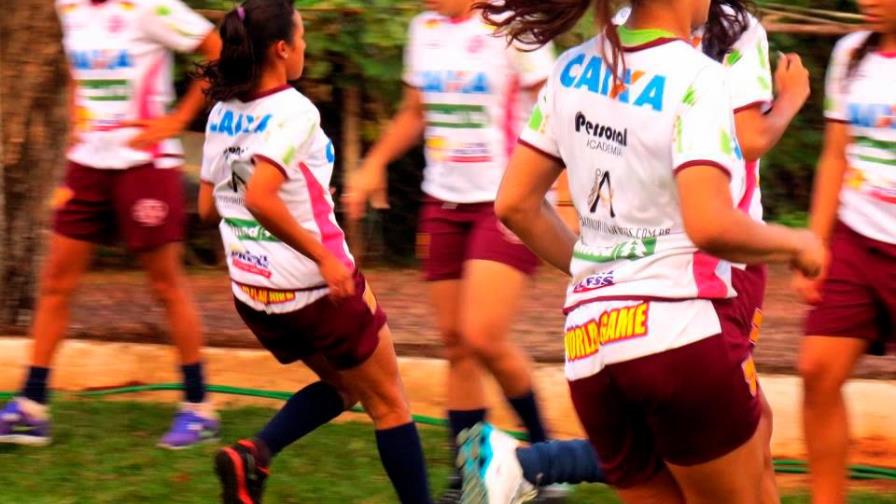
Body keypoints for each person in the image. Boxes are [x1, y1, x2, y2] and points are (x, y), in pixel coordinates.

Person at [458, 0, 826, 501]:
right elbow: (710, 224)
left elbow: (515, 204)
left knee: (756, 427)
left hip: (591, 348)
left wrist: (604, 274)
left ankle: (525, 467)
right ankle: (525, 466)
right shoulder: (699, 75)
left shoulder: (569, 69)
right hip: (680, 335)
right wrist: (798, 243)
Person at [196, 2, 432, 503]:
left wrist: (244, 203)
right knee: (390, 404)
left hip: (255, 294)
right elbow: (260, 196)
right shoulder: (295, 111)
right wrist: (323, 258)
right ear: (282, 49)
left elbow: (206, 208)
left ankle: (252, 455)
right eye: (301, 38)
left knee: (346, 389)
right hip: (316, 288)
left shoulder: (220, 113)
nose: (305, 47)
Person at [343, 0, 558, 501]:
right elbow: (415, 112)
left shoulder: (515, 25)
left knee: (482, 336)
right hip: (442, 200)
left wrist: (562, 198)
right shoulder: (425, 29)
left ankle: (547, 460)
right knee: (456, 345)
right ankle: (471, 478)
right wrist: (374, 162)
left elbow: (558, 113)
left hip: (507, 201)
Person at [0, 0, 221, 449]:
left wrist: (177, 120)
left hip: (145, 163)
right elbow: (75, 65)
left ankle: (199, 408)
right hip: (86, 164)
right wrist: (76, 120)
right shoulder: (69, 7)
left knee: (165, 286)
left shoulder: (151, 7)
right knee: (56, 282)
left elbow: (218, 50)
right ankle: (31, 407)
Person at [796, 0, 896, 502]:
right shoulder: (850, 52)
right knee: (817, 370)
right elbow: (835, 154)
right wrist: (816, 244)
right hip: (855, 238)